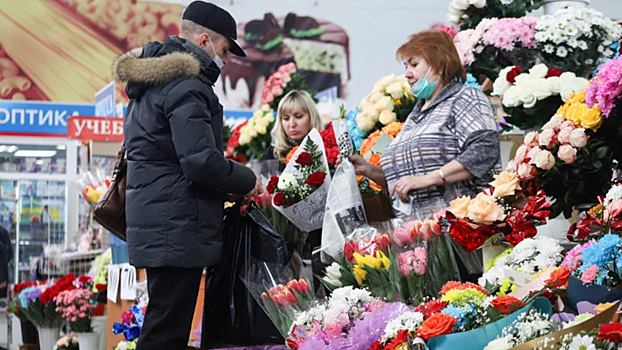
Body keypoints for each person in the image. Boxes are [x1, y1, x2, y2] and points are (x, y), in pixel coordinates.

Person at [113, 2, 262, 349]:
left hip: (164, 223)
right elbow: (199, 162)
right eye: (224, 51)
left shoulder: (154, 82)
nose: (223, 61)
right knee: (166, 334)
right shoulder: (187, 86)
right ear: (205, 40)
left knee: (164, 325)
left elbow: (176, 157)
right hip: (175, 227)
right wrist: (247, 180)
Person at [350, 30, 501, 217]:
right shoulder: (417, 114)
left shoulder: (464, 97)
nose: (407, 74)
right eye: (405, 66)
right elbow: (405, 183)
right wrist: (369, 170)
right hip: (420, 235)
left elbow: (484, 150)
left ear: (440, 65)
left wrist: (430, 178)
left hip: (461, 226)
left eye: (414, 64)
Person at [263, 90, 323, 167]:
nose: (292, 124)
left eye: (298, 116)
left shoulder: (325, 147)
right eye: (286, 118)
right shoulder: (274, 152)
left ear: (312, 117)